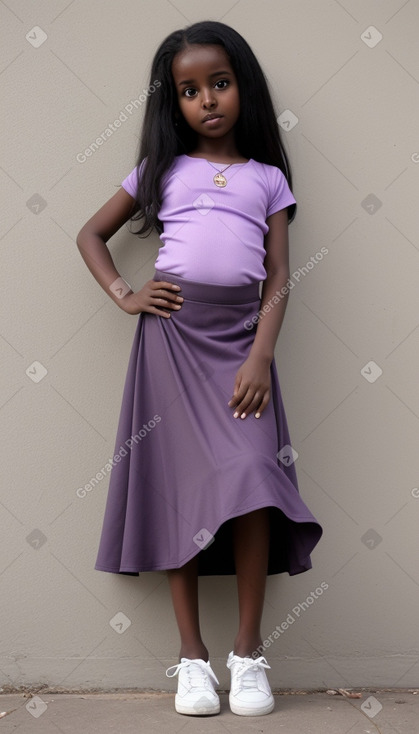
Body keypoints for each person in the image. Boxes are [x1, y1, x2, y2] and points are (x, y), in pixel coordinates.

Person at [76, 20, 322, 718]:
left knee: (252, 482)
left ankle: (247, 654)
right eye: (189, 89)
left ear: (242, 86)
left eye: (219, 83)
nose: (207, 99)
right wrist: (126, 295)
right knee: (177, 494)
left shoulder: (268, 179)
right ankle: (191, 660)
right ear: (173, 102)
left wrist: (261, 356)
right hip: (171, 346)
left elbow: (278, 275)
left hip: (241, 345)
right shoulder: (160, 171)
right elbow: (90, 234)